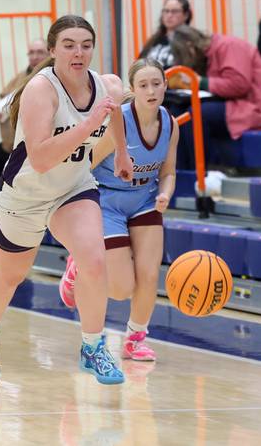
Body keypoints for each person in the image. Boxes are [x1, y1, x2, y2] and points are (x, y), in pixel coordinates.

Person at [0, 15, 134, 389]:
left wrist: (122, 153)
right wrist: (89, 125)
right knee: (9, 276)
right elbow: (42, 159)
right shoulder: (40, 90)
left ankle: (93, 346)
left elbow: (115, 112)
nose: (79, 53)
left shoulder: (106, 84)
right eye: (69, 45)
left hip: (72, 188)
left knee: (95, 260)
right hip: (26, 194)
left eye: (86, 45)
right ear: (53, 50)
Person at [60, 58, 178, 362]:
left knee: (149, 275)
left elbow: (168, 172)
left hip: (144, 200)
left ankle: (135, 340)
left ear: (165, 86)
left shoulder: (170, 123)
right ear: (132, 89)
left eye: (156, 84)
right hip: (107, 201)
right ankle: (76, 267)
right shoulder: (119, 122)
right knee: (121, 289)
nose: (151, 91)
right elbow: (87, 163)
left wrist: (165, 194)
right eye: (143, 85)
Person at [0, 39, 49, 253]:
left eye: (39, 52)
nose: (34, 56)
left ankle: (21, 235)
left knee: (15, 183)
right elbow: (3, 103)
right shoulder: (20, 78)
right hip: (7, 146)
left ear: (50, 53)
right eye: (31, 52)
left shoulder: (50, 79)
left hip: (32, 149)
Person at [166, 25, 261, 170]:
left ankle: (201, 172)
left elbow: (239, 85)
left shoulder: (230, 46)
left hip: (252, 107)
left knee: (196, 114)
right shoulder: (208, 53)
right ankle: (180, 172)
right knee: (175, 111)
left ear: (190, 47)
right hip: (230, 103)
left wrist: (201, 82)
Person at [137, 0, 193, 69]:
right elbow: (139, 65)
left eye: (174, 11)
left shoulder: (190, 42)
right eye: (166, 11)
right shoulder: (154, 40)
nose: (169, 15)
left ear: (186, 15)